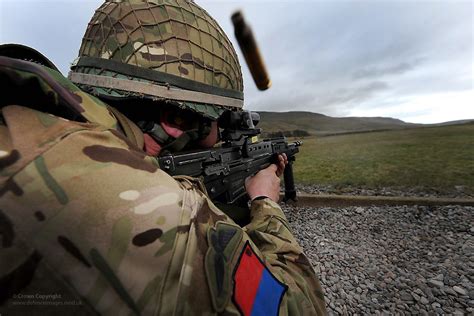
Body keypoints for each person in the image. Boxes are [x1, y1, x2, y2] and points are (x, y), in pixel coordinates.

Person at [0, 0, 326, 315]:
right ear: (172, 122)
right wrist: (266, 201)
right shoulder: (148, 205)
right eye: (201, 124)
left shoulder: (33, 121)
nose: (207, 139)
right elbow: (299, 306)